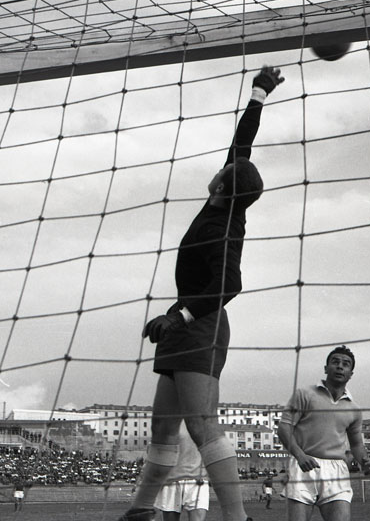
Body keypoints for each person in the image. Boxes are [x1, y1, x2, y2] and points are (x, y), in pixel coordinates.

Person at [118, 65, 285, 521]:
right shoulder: (226, 198)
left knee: (202, 426)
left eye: (224, 169)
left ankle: (237, 517)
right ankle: (141, 510)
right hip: (185, 323)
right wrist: (259, 94)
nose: (223, 164)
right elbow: (241, 145)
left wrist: (181, 318)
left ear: (222, 183)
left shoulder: (221, 227)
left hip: (201, 325)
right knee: (163, 431)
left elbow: (230, 284)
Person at [277, 346, 370, 521]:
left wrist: (364, 461)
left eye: (345, 364)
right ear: (326, 368)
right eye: (335, 362)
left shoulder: (354, 409)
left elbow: (356, 444)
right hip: (303, 466)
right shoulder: (304, 394)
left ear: (351, 374)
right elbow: (284, 428)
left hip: (336, 471)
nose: (340, 366)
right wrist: (300, 455)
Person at [154, 422, 209, 521]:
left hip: (198, 480)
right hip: (172, 480)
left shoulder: (206, 419)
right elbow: (157, 450)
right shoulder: (167, 419)